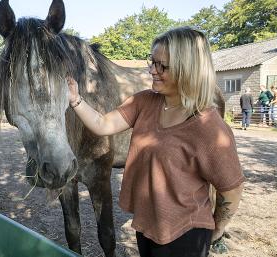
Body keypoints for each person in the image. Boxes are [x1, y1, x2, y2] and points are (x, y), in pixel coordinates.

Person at [67, 27, 244, 257]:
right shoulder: (145, 102)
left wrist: (218, 228)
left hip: (186, 234)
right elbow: (103, 124)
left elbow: (232, 189)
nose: (152, 70)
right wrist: (76, 100)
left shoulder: (208, 126)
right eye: (152, 61)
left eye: (162, 66)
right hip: (147, 227)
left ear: (187, 70)